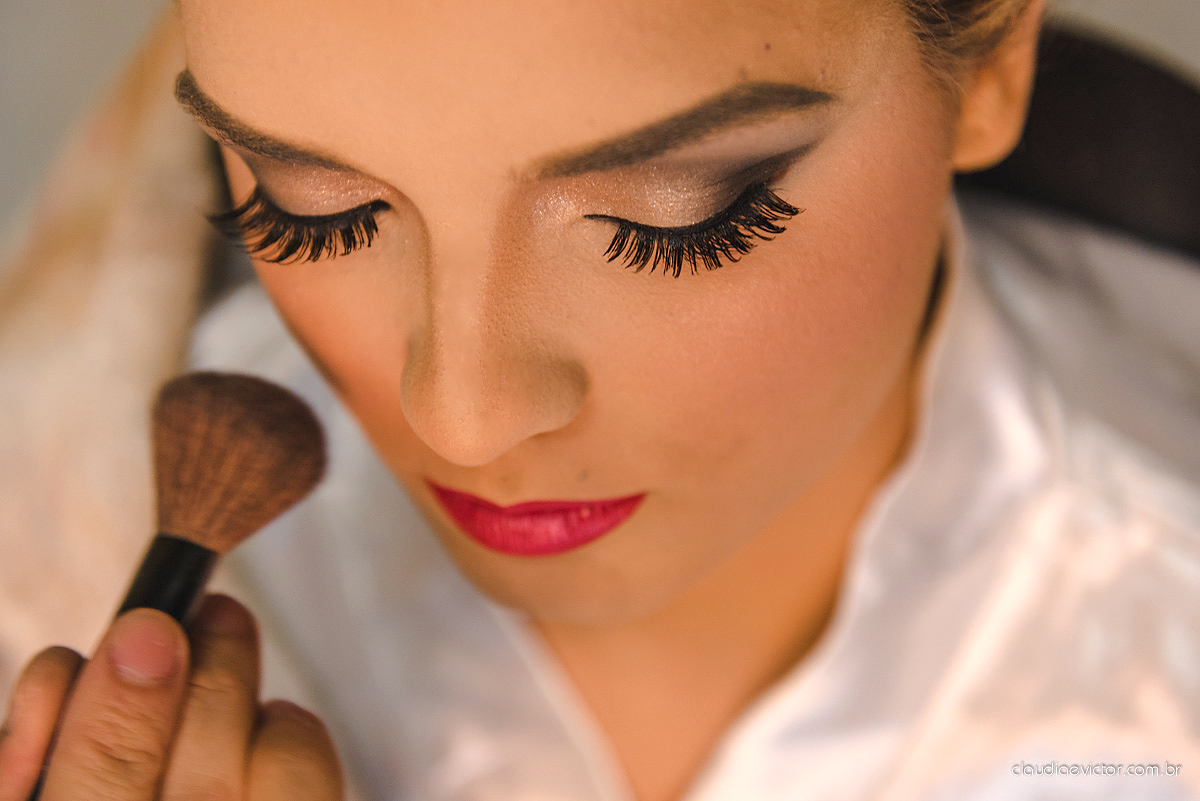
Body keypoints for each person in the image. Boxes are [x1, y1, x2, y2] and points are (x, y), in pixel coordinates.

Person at [0, 0, 1197, 799]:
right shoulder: (43, 541)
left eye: (668, 220)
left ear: (987, 59)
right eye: (311, 209)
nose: (459, 417)